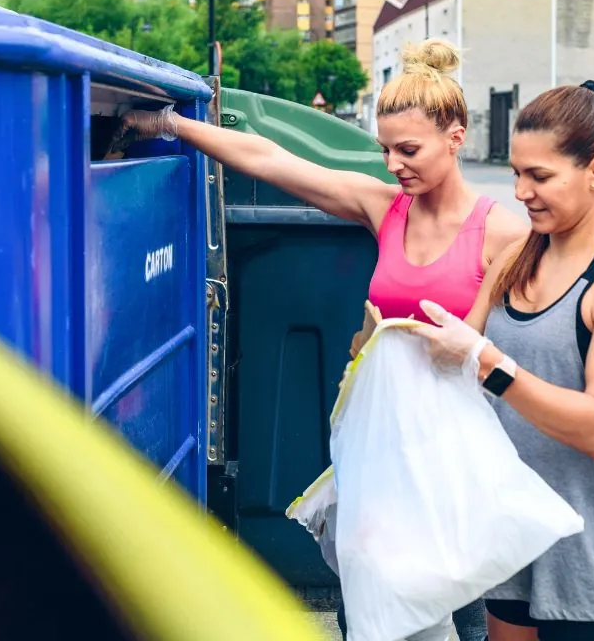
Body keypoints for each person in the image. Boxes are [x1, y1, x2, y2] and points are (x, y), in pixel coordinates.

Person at [120, 38, 527, 641]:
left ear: (456, 136)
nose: (393, 164)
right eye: (386, 149)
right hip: (375, 441)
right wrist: (171, 123)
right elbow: (269, 159)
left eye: (409, 149)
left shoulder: (503, 231)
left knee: (458, 606)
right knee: (368, 601)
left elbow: (522, 343)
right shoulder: (386, 207)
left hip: (450, 451)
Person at [407, 80, 594, 641]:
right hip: (513, 533)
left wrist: (490, 364)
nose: (522, 192)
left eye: (541, 176)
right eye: (516, 174)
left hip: (593, 551)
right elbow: (458, 361)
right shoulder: (516, 258)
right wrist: (393, 344)